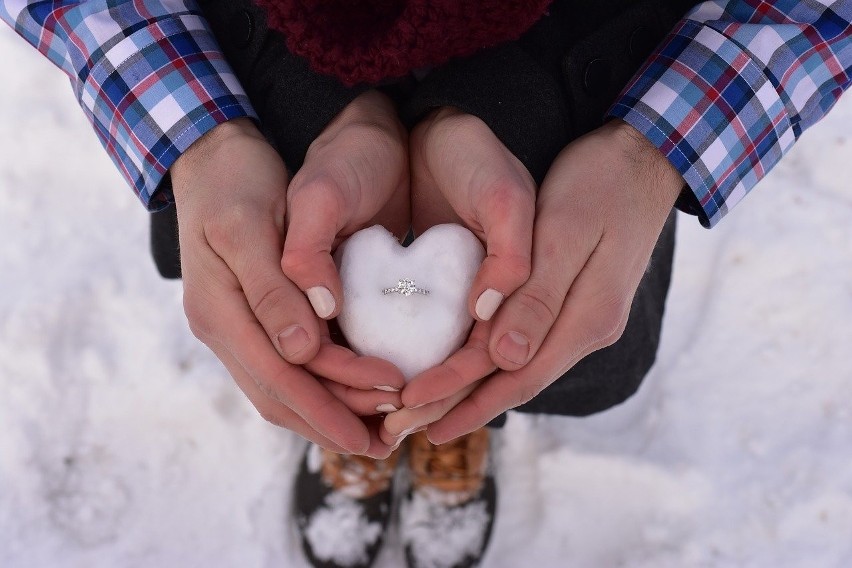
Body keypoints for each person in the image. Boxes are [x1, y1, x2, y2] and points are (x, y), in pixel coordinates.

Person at [2, 0, 850, 567]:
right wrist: (203, 134)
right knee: (303, 302)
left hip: (577, 77)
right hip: (268, 66)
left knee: (530, 313)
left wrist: (651, 148)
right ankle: (364, 413)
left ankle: (442, 417)